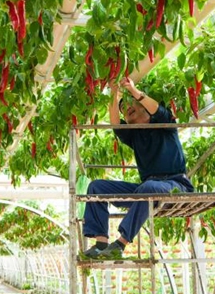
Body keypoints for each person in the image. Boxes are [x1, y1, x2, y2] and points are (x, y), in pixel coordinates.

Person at [82, 77, 194, 260]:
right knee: (96, 187)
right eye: (123, 109)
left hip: (175, 184)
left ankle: (120, 244)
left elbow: (156, 108)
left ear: (147, 110)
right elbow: (115, 124)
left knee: (148, 188)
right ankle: (101, 242)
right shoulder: (134, 136)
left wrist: (133, 91)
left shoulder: (165, 125)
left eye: (131, 104)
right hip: (147, 188)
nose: (127, 108)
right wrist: (114, 93)